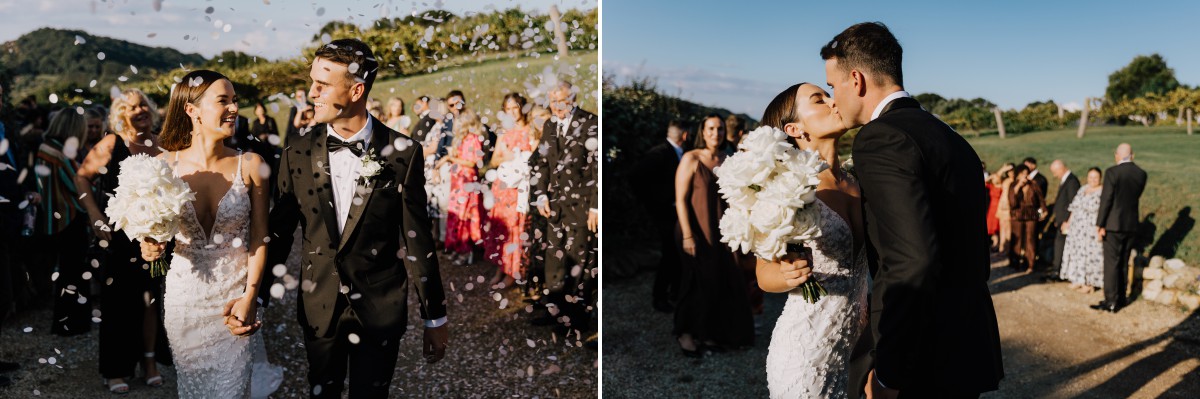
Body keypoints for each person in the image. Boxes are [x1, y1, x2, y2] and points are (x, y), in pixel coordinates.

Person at [821, 22, 1003, 397]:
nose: (833, 99)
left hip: (922, 357)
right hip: (967, 341)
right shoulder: (949, 135)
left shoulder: (881, 138)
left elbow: (910, 260)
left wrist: (890, 372)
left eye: (832, 87)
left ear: (856, 80)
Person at [259, 39, 449, 398]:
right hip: (319, 307)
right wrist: (256, 297)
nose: (311, 92)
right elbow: (280, 233)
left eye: (323, 84)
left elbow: (417, 239)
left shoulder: (403, 154)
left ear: (356, 89)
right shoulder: (296, 151)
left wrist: (434, 316)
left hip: (381, 307)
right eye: (313, 81)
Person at [137, 70, 282, 398]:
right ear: (192, 110)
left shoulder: (252, 164)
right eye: (223, 101)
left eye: (235, 101)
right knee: (192, 388)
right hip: (183, 300)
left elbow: (260, 238)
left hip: (233, 299)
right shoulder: (162, 166)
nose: (233, 108)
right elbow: (153, 230)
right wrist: (149, 244)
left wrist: (251, 297)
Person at [754, 83, 866, 397]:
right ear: (795, 129)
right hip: (807, 356)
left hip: (857, 347)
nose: (834, 102)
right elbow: (764, 273)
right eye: (820, 99)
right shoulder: (789, 190)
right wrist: (785, 274)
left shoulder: (857, 179)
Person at [76, 88, 167, 393]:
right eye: (131, 107)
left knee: (151, 301)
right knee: (119, 303)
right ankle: (116, 368)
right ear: (120, 114)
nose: (139, 110)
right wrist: (94, 214)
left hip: (155, 238)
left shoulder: (162, 143)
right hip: (118, 236)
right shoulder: (112, 143)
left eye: (143, 104)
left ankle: (150, 362)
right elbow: (81, 177)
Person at [671, 113, 753, 357]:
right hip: (694, 228)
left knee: (723, 279)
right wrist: (687, 235)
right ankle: (685, 333)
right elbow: (681, 200)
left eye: (719, 129)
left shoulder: (728, 159)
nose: (715, 133)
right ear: (702, 132)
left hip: (722, 229)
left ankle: (713, 334)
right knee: (695, 280)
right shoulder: (691, 158)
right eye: (710, 129)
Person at [529, 79, 598, 335]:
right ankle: (555, 311)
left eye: (563, 100)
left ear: (574, 98)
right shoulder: (548, 125)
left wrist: (596, 207)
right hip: (554, 207)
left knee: (579, 262)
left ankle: (576, 320)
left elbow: (597, 168)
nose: (558, 106)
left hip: (582, 206)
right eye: (553, 101)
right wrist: (540, 196)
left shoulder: (591, 123)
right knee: (554, 260)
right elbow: (542, 164)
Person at [30, 110, 91, 336]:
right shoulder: (59, 152)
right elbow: (79, 185)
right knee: (74, 274)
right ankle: (72, 324)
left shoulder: (45, 147)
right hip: (69, 219)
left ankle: (65, 322)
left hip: (53, 219)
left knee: (66, 274)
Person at [633, 120, 687, 313]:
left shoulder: (678, 153)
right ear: (685, 135)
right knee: (670, 254)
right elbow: (637, 177)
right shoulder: (658, 153)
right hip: (664, 213)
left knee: (677, 254)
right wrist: (656, 203)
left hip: (676, 212)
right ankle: (659, 297)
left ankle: (675, 291)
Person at [483, 93, 535, 289]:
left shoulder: (529, 130)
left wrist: (509, 156)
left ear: (522, 107)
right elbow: (494, 160)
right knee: (501, 230)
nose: (512, 112)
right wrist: (509, 157)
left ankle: (513, 271)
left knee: (515, 230)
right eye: (508, 109)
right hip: (502, 186)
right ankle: (500, 267)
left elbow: (530, 160)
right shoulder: (504, 131)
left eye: (515, 108)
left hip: (517, 189)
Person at [1091, 143, 1147, 313]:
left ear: (1117, 155)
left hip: (1113, 224)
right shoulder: (1141, 174)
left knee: (1111, 264)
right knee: (1123, 261)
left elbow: (1106, 200)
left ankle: (1111, 301)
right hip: (1131, 224)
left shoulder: (1112, 172)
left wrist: (1100, 224)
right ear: (1133, 155)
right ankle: (1122, 298)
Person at [436, 109, 486, 265]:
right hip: (458, 182)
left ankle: (467, 250)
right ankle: (458, 247)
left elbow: (472, 162)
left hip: (467, 182)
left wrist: (451, 158)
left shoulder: (474, 139)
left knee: (466, 215)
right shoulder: (463, 139)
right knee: (456, 214)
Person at [1060, 167, 1104, 293]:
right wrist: (1068, 222)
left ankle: (1089, 282)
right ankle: (1077, 278)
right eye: (1090, 177)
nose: (1093, 180)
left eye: (1095, 177)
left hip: (1091, 227)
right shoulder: (1083, 189)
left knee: (1089, 255)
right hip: (1077, 227)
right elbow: (1074, 207)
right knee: (1076, 252)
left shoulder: (1102, 191)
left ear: (1100, 178)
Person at [1009, 164, 1048, 274]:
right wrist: (1018, 187)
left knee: (1030, 238)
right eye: (1022, 174)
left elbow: (1040, 199)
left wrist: (1043, 210)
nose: (1024, 177)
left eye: (1026, 174)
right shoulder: (1013, 185)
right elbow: (1012, 203)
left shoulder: (1033, 185)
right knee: (1017, 239)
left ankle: (1030, 263)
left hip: (1031, 214)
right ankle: (1015, 262)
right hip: (1017, 214)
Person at [1046, 159, 1080, 281]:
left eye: (1055, 172)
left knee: (1061, 245)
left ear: (1061, 168)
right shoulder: (1066, 180)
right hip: (1061, 220)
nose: (1054, 175)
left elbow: (1074, 203)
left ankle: (1058, 271)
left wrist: (1068, 221)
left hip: (1067, 222)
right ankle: (1057, 269)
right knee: (1059, 245)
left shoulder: (1072, 181)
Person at [996, 163, 1015, 257]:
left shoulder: (1014, 181)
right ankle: (1001, 248)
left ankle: (1007, 249)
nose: (1011, 173)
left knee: (1008, 229)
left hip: (1008, 207)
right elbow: (996, 179)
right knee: (1002, 228)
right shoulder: (1005, 181)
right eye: (1009, 172)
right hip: (1002, 207)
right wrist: (1003, 169)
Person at [986, 173, 1003, 248]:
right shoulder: (991, 186)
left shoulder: (1002, 186)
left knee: (998, 226)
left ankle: (998, 244)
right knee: (991, 227)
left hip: (999, 207)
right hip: (992, 208)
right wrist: (991, 177)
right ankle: (995, 243)